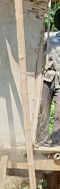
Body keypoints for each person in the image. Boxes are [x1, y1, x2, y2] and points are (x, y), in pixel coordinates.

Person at [38, 9, 60, 146]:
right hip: (47, 77)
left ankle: (57, 141)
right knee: (44, 111)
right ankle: (43, 140)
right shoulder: (49, 37)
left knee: (59, 113)